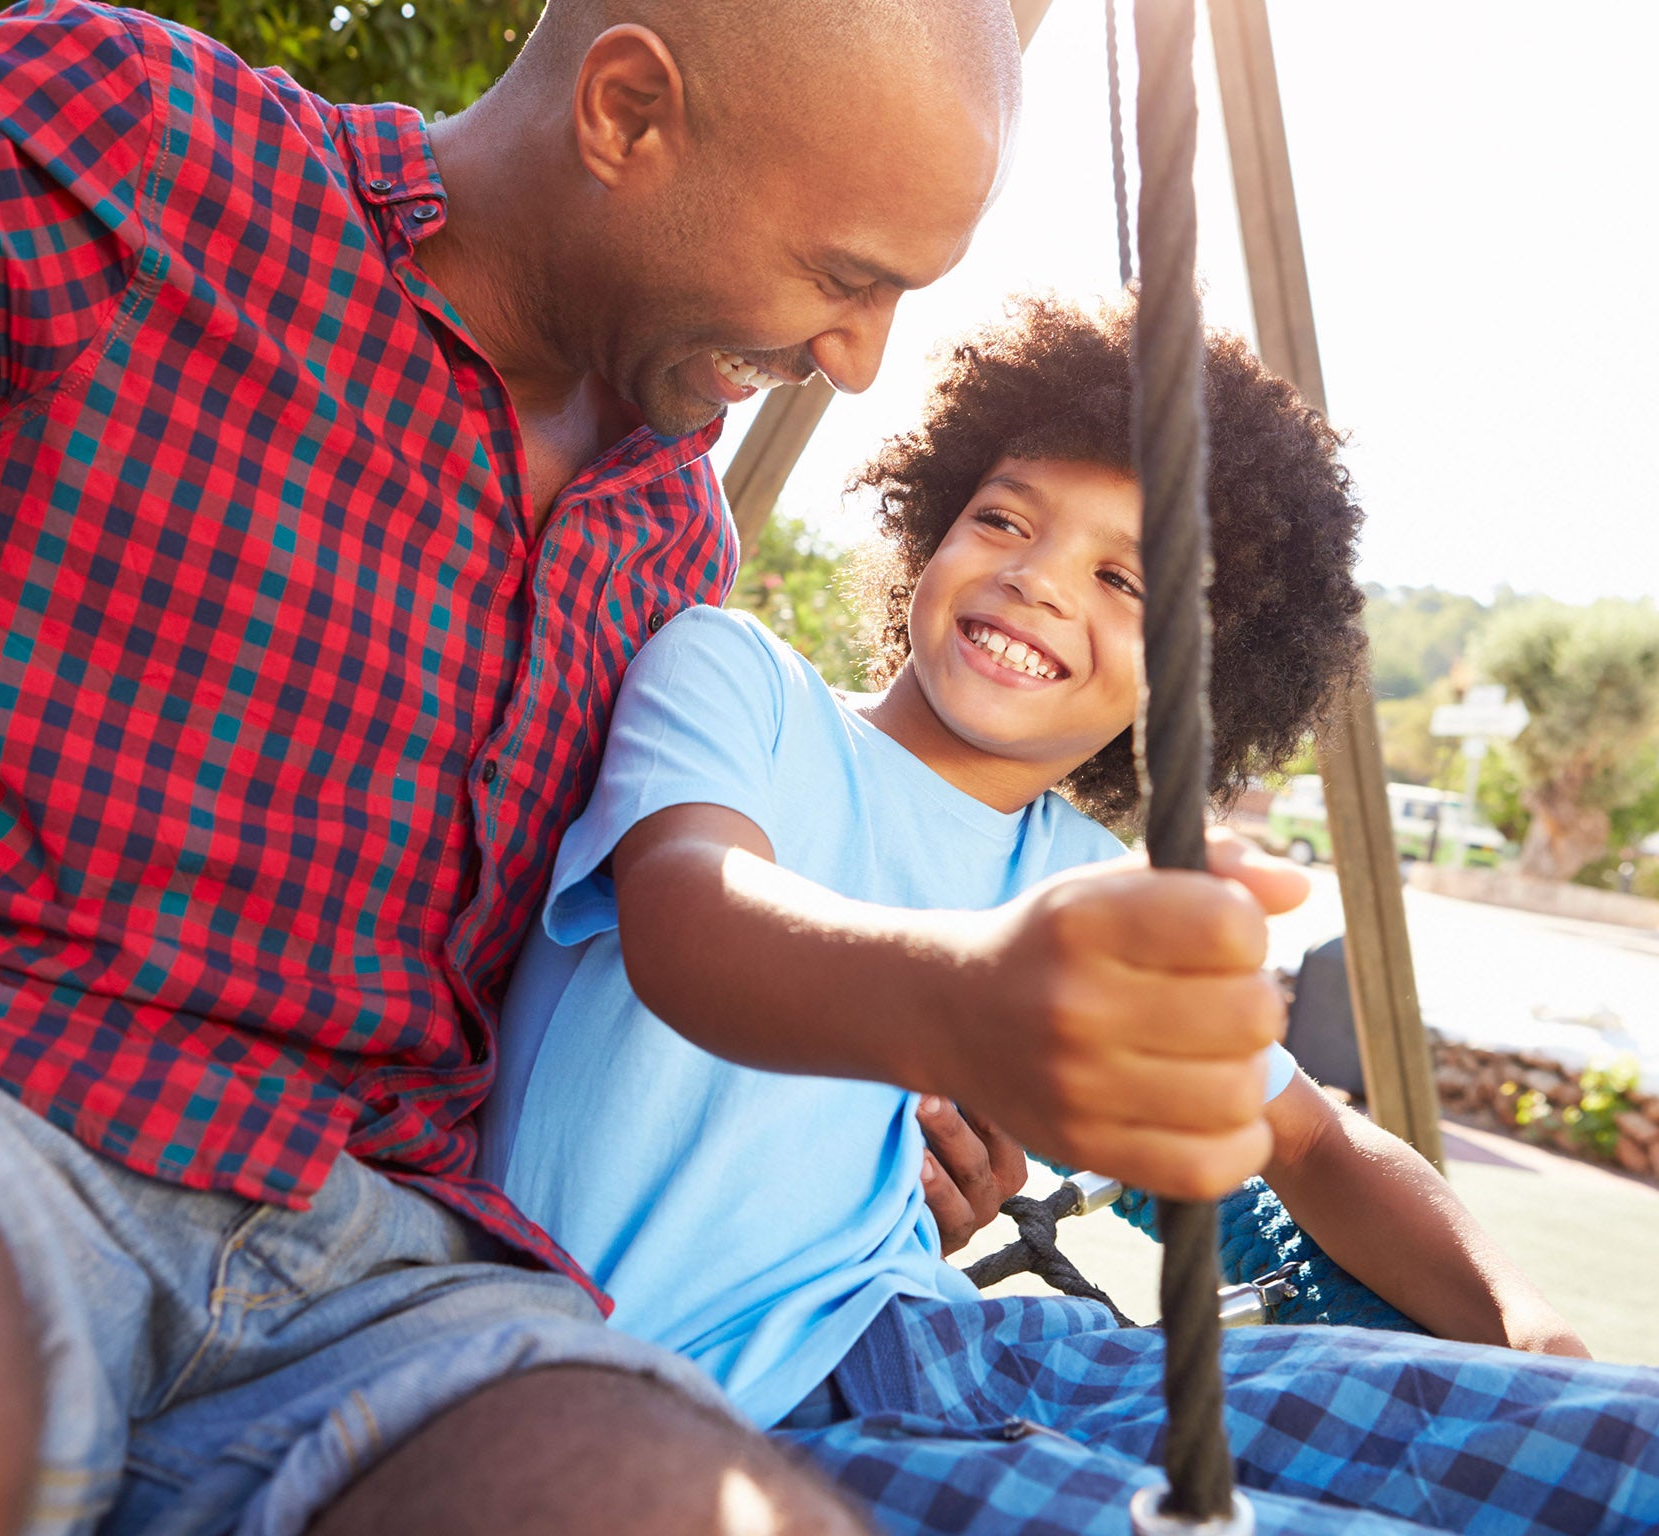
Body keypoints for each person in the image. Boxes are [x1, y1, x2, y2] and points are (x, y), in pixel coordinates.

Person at [0, 0, 1138, 1530]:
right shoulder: (153, 154)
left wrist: (874, 1148)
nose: (860, 361)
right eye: (843, 274)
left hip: (370, 1270)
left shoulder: (669, 545)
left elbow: (649, 989)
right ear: (624, 113)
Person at [484, 297, 1659, 1534]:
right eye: (1000, 517)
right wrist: (975, 1006)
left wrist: (1523, 1325)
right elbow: (695, 926)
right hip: (696, 1412)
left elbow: (1310, 1145)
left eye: (1119, 578)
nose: (1035, 579)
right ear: (930, 531)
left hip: (951, 1349)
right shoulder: (739, 681)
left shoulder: (1084, 877)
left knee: (1611, 1447)